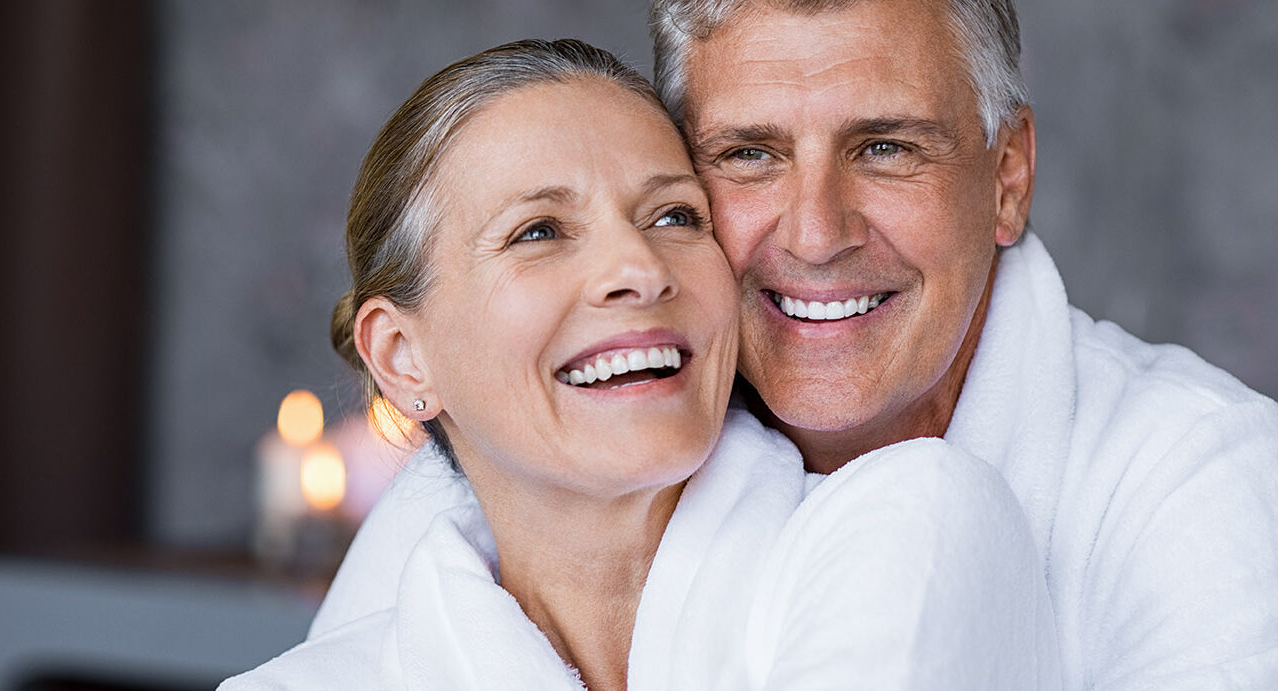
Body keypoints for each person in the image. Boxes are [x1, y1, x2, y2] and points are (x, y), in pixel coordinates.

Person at [313, 1, 1278, 689]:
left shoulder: (1196, 478)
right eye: (747, 156)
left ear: (1007, 175)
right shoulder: (523, 476)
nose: (814, 232)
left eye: (885, 148)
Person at [223, 38, 1059, 689]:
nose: (640, 268)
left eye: (674, 215)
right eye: (540, 231)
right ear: (403, 358)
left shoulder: (920, 525)